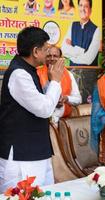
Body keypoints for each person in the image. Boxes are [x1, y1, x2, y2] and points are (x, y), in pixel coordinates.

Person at [0, 27, 64, 192]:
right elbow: (44, 109)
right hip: (23, 157)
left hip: (35, 152)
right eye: (46, 49)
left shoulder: (28, 70)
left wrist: (51, 82)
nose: (49, 54)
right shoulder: (19, 74)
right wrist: (56, 81)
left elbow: (41, 102)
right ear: (36, 51)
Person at [37, 45, 82, 123]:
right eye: (49, 56)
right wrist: (53, 103)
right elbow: (35, 100)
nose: (52, 58)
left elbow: (78, 99)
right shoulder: (37, 73)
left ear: (60, 58)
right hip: (43, 121)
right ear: (45, 57)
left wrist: (66, 98)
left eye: (55, 56)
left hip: (64, 122)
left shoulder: (68, 74)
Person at [61, 0, 100, 66]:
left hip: (89, 72)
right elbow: (64, 50)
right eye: (81, 5)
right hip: (72, 71)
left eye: (86, 6)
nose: (83, 9)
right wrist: (82, 51)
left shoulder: (96, 30)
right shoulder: (72, 25)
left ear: (90, 10)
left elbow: (88, 59)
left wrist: (71, 54)